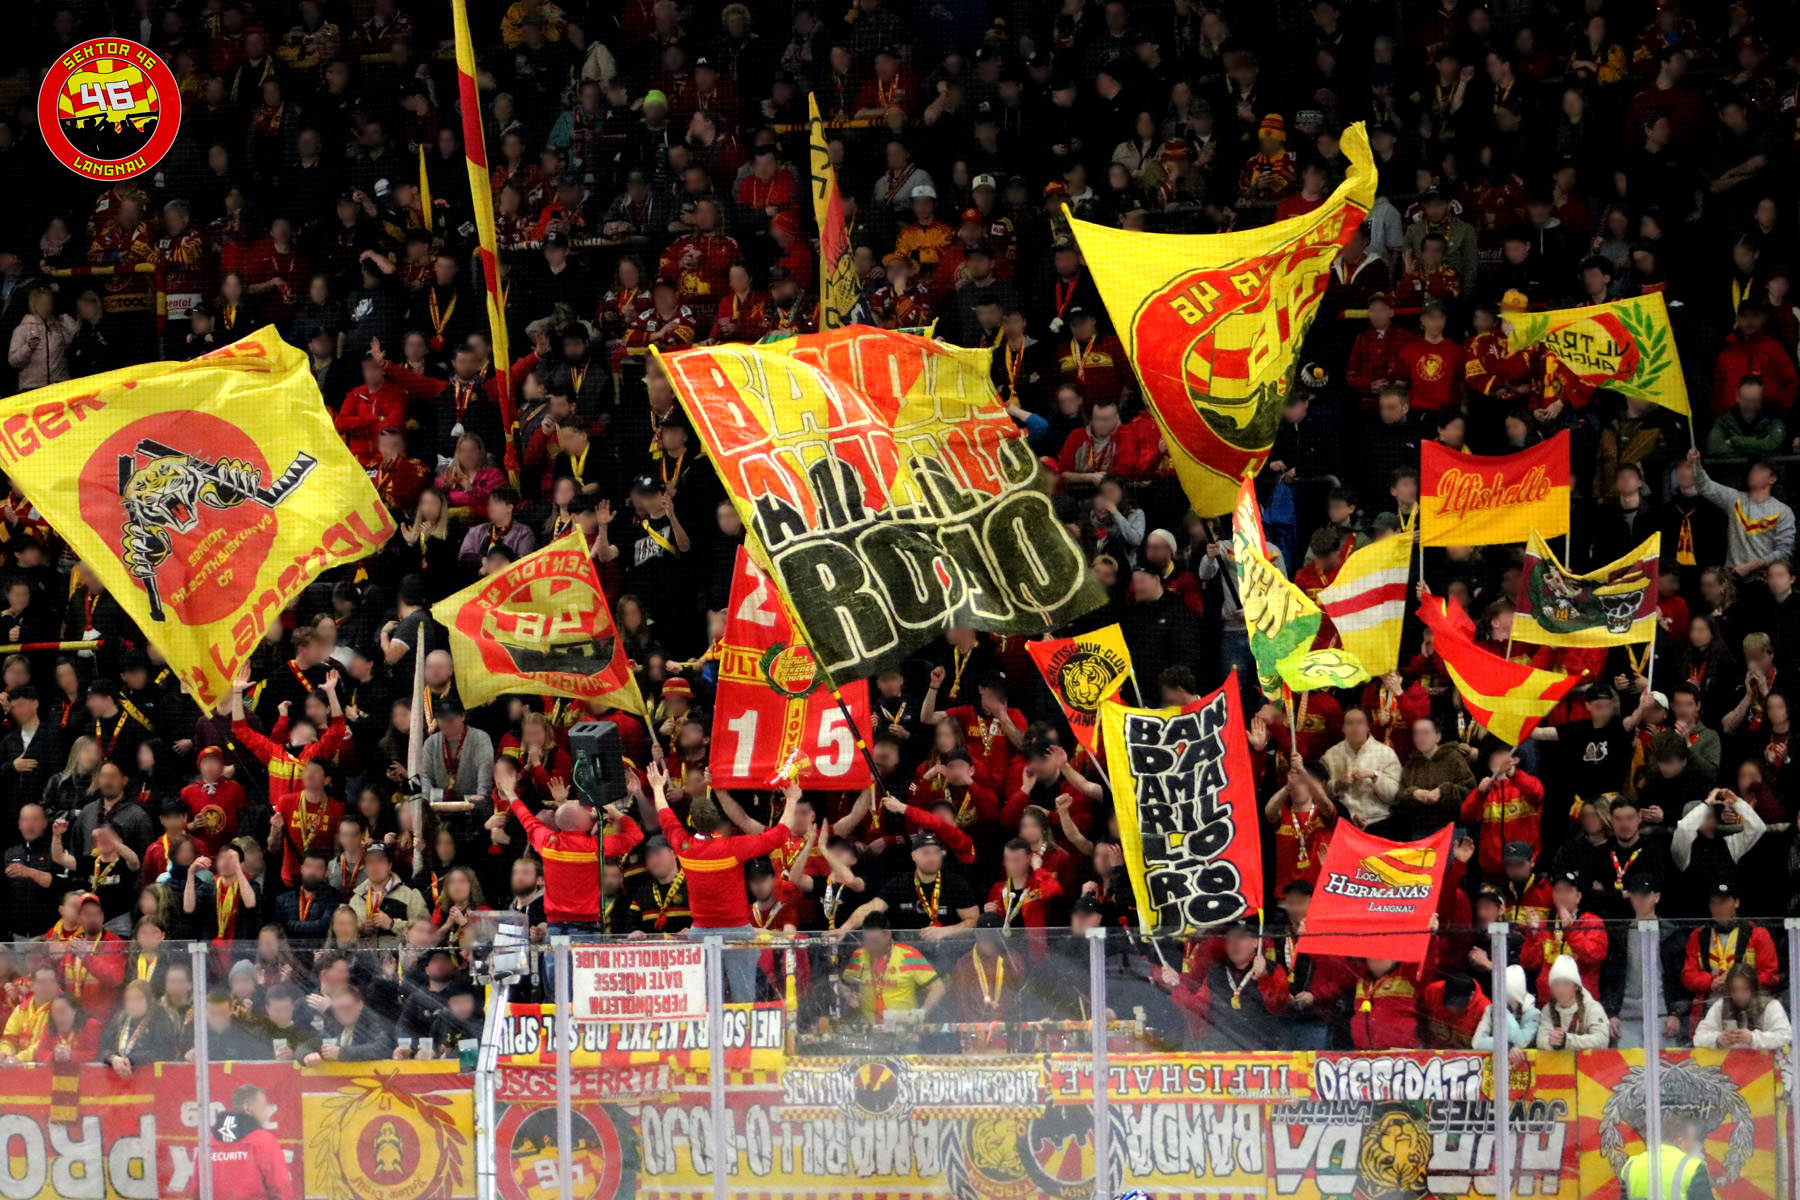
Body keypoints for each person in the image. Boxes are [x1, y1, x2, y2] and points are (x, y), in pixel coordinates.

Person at [209, 1084, 296, 1200]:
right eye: (262, 1108)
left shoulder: (209, 1141)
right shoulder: (263, 1140)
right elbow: (281, 1187)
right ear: (248, 1109)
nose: (265, 1114)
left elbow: (197, 1187)